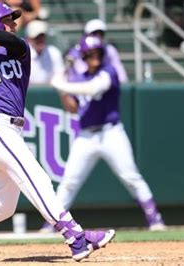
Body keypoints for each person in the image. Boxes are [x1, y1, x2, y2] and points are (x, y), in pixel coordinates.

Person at [0, 3, 116, 263]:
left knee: (3, 206)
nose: (14, 23)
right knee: (37, 178)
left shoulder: (20, 49)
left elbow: (9, 39)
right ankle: (75, 236)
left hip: (9, 130)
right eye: (8, 19)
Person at [49, 35, 166, 232]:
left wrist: (61, 84)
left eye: (97, 53)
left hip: (111, 133)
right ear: (84, 56)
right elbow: (72, 108)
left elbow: (94, 88)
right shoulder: (79, 77)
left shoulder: (108, 72)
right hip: (86, 136)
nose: (94, 57)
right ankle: (52, 223)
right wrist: (63, 82)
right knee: (69, 182)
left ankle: (155, 219)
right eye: (90, 54)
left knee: (130, 176)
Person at [67, 19, 128, 84]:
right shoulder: (76, 51)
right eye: (90, 54)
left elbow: (119, 71)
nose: (98, 36)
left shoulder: (109, 52)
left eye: (99, 53)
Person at [26, 20, 64, 85]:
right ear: (29, 39)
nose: (40, 40)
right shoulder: (23, 54)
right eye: (37, 37)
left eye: (42, 36)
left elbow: (60, 75)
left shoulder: (54, 52)